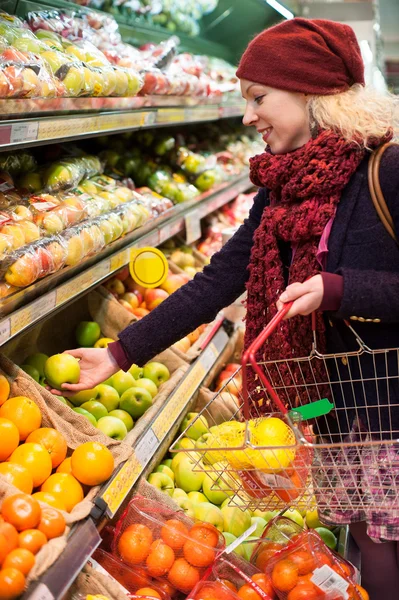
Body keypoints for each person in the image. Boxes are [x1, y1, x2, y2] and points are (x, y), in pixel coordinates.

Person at [59, 18, 399, 599]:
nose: (248, 117)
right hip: (334, 410)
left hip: (389, 405)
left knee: (385, 541)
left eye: (259, 98)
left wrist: (338, 289)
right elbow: (218, 279)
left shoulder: (385, 171)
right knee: (362, 542)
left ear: (311, 94)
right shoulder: (280, 185)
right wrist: (121, 352)